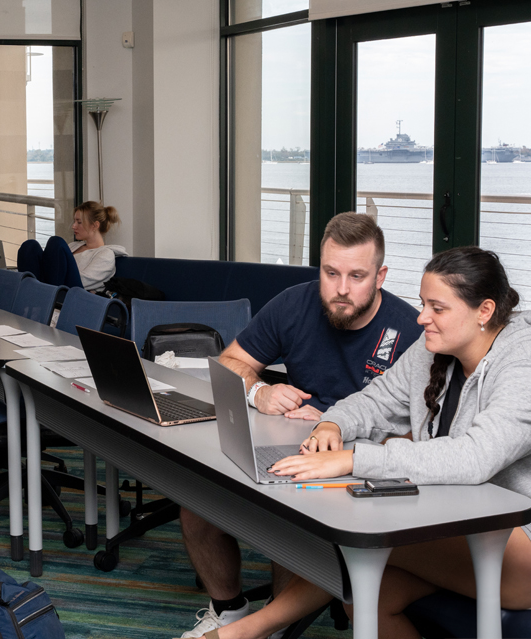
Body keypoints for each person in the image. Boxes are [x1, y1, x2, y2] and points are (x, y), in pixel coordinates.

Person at [203, 246, 531, 639]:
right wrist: (331, 426)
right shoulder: (433, 347)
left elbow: (475, 457)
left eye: (437, 308)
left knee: (363, 536)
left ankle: (242, 633)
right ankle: (246, 633)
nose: (422, 319)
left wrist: (352, 459)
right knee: (368, 598)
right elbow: (374, 400)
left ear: (484, 312)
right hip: (458, 517)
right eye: (423, 304)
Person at [179, 212, 423, 638]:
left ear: (380, 276)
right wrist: (261, 392)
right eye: (331, 273)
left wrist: (339, 427)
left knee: (284, 522)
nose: (341, 289)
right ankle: (230, 610)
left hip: (355, 465)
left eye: (357, 276)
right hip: (289, 442)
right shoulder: (296, 303)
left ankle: (272, 623)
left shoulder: (410, 330)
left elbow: (419, 435)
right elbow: (231, 362)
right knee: (197, 503)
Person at [17, 201, 125, 292]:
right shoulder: (73, 246)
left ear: (94, 225)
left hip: (73, 294)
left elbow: (83, 282)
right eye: (74, 221)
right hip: (53, 286)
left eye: (79, 222)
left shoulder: (105, 254)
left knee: (56, 242)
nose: (74, 226)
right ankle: (29, 293)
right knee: (30, 246)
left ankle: (39, 294)